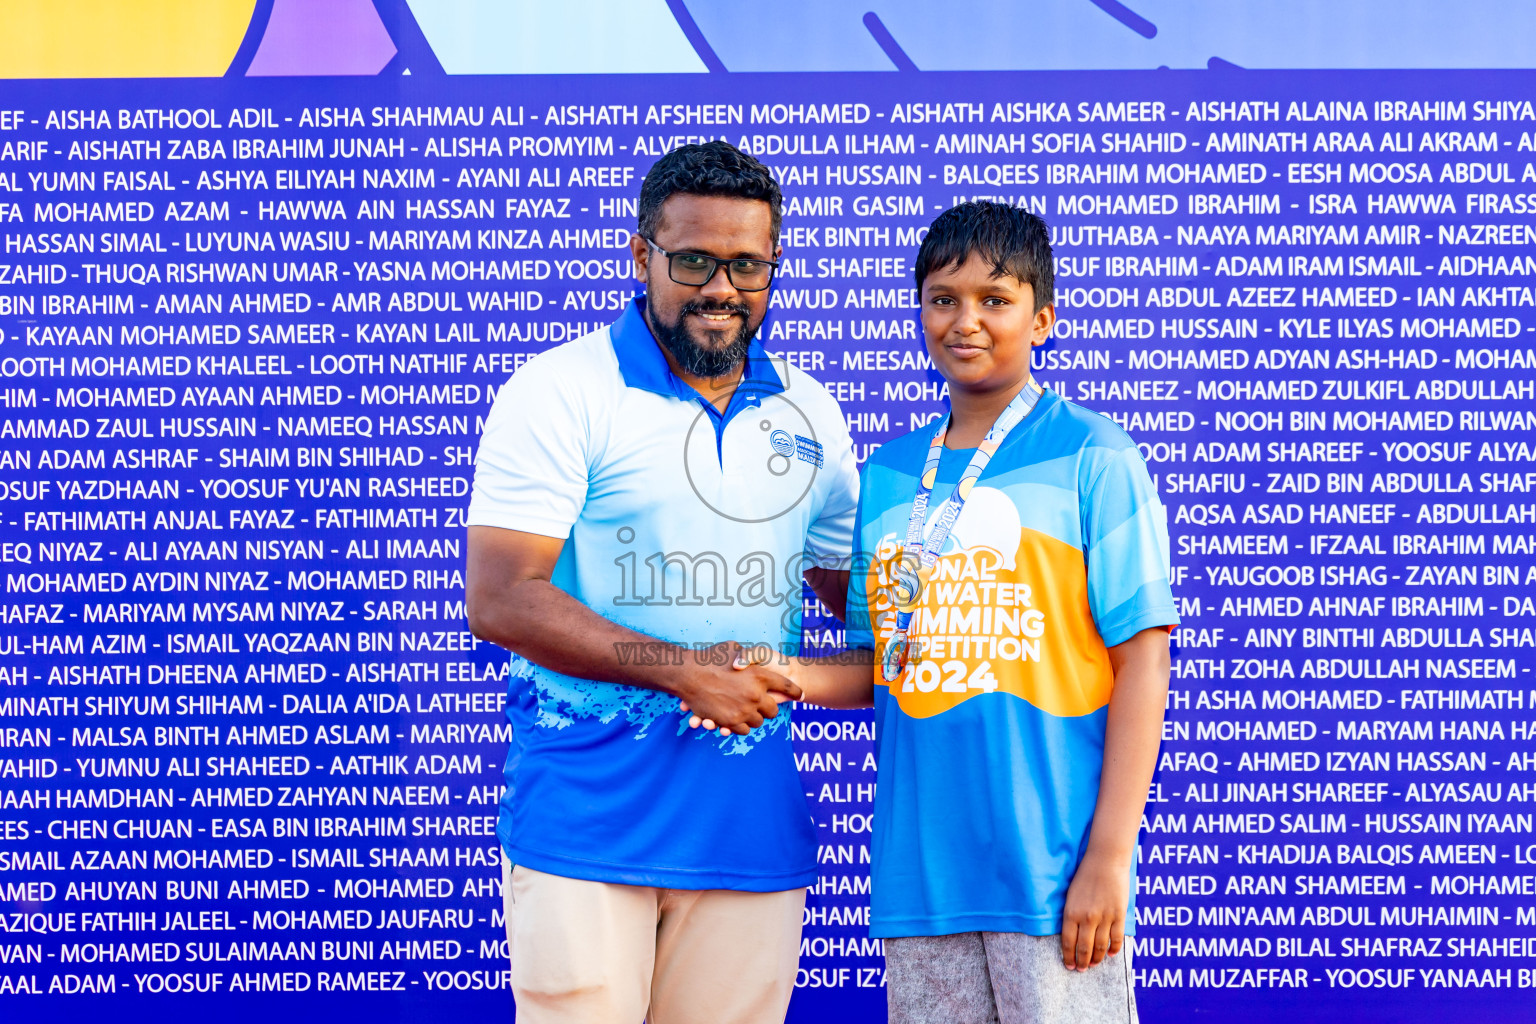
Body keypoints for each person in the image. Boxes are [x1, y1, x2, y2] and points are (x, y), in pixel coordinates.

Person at [724, 201, 1177, 1023]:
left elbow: (1142, 660)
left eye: (994, 300)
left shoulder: (1094, 456)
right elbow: (879, 666)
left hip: (1051, 872)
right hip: (921, 875)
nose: (965, 321)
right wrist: (783, 675)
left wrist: (1111, 856)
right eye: (943, 298)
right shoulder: (891, 475)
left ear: (1041, 318)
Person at [464, 141, 858, 1024]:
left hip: (748, 833)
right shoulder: (562, 388)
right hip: (585, 823)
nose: (721, 286)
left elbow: (869, 619)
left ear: (774, 266)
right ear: (641, 256)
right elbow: (500, 599)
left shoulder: (810, 410)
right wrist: (685, 670)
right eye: (693, 260)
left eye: (747, 264)